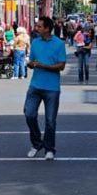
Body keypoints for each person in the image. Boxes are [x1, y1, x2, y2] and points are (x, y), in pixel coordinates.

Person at [24, 16, 66, 161]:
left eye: (40, 26)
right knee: (29, 114)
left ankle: (49, 148)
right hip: (35, 85)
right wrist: (30, 64)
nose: (37, 28)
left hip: (52, 88)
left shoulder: (59, 44)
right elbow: (32, 61)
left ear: (47, 28)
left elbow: (61, 65)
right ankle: (37, 143)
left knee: (50, 120)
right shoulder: (35, 42)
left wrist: (44, 66)